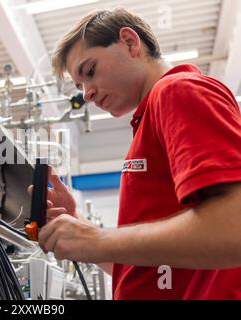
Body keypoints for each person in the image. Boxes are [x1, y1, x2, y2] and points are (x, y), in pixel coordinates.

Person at [30, 8, 241, 299]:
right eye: (80, 87)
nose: (87, 94)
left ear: (130, 42)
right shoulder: (148, 121)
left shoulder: (178, 90)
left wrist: (99, 238)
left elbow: (234, 228)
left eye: (89, 71)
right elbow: (146, 264)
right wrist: (80, 226)